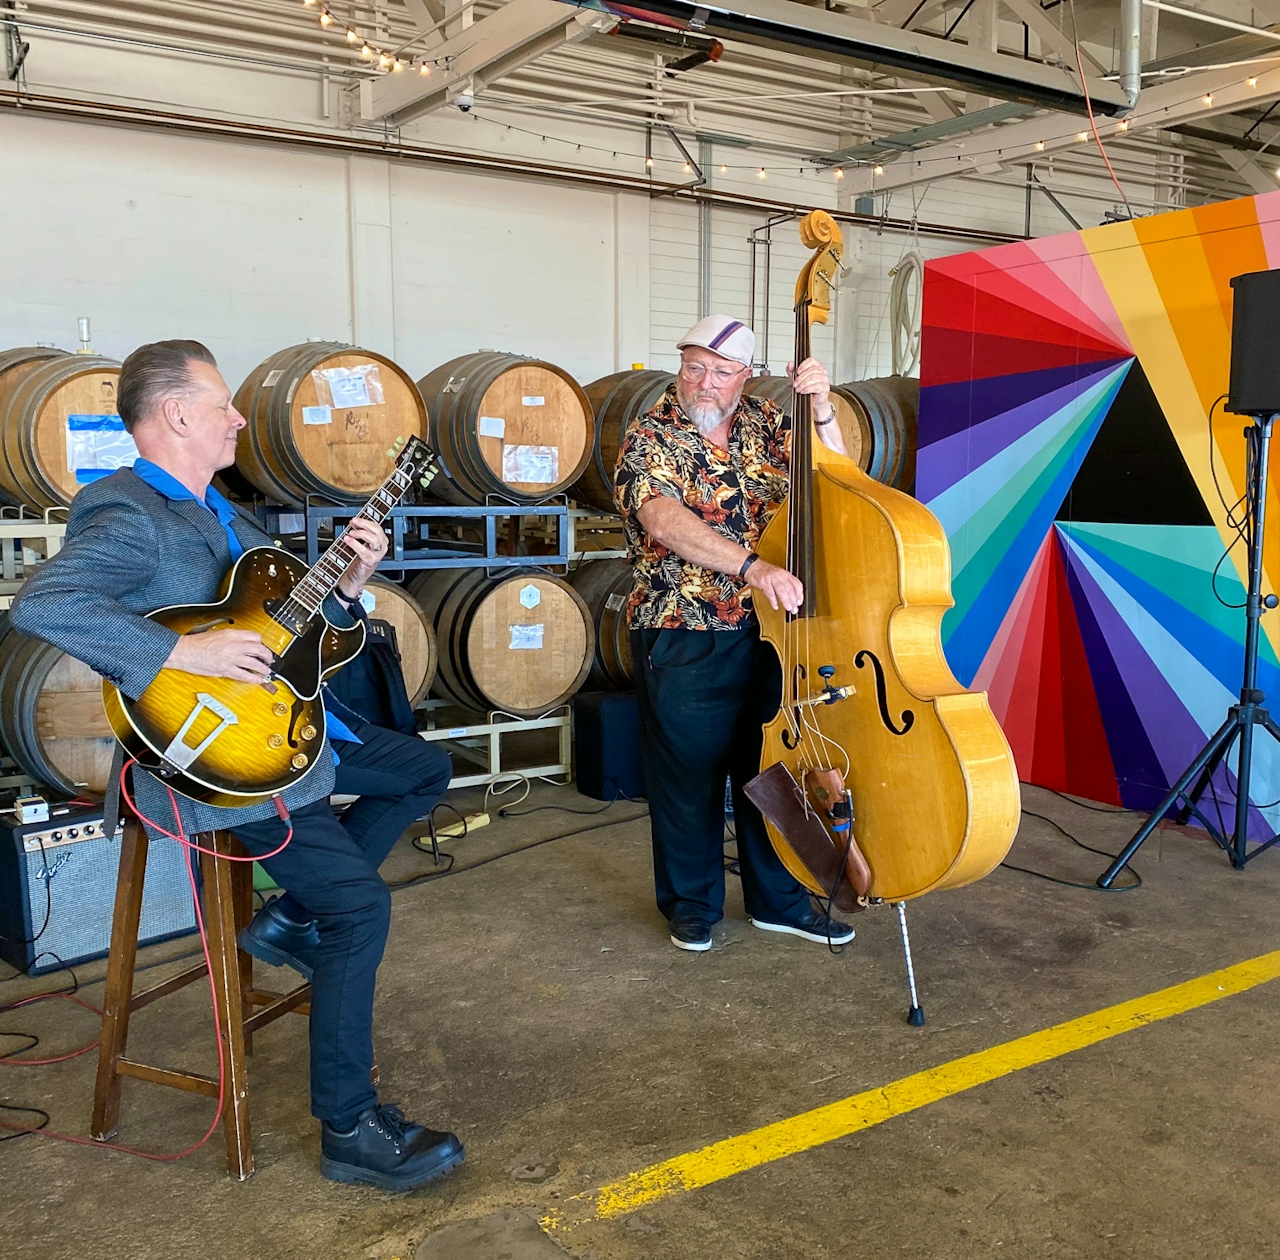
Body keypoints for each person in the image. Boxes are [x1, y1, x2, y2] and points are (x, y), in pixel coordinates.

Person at [10, 340, 460, 1192]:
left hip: (282, 737)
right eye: (222, 403)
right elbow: (47, 602)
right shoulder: (127, 509)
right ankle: (350, 1130)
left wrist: (353, 586)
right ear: (177, 414)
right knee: (360, 910)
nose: (239, 417)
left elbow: (291, 632)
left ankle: (290, 917)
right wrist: (184, 656)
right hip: (214, 765)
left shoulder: (226, 512)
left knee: (421, 770)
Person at [614, 315, 856, 953]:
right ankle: (693, 905)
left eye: (721, 373)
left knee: (772, 769)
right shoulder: (650, 433)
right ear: (680, 365)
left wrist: (823, 408)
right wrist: (753, 566)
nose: (704, 383)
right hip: (682, 628)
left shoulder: (768, 425)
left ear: (746, 377)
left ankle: (779, 901)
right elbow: (662, 518)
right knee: (687, 777)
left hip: (774, 632)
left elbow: (838, 479)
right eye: (694, 366)